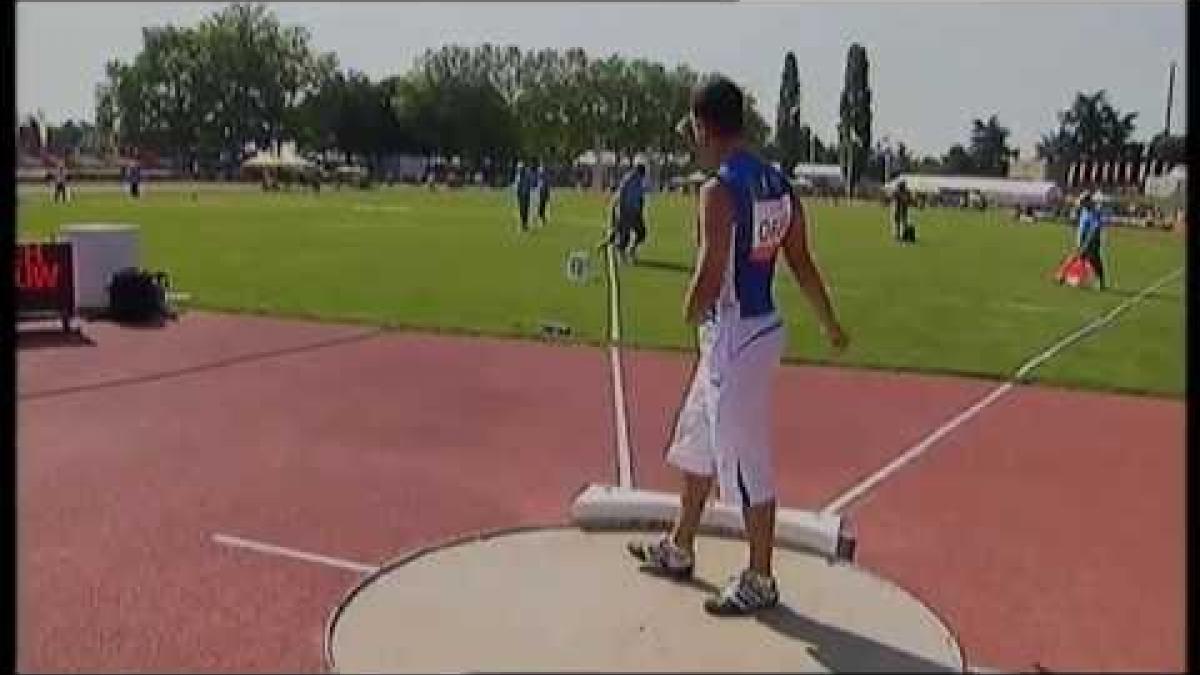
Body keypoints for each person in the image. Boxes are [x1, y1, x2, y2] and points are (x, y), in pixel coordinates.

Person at [626, 75, 848, 615]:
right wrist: (830, 323)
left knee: (747, 460)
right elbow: (800, 262)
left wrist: (688, 311)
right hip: (756, 328)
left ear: (703, 127)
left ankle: (761, 577)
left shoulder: (718, 190)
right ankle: (680, 546)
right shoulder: (778, 183)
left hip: (733, 334)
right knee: (699, 438)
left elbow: (708, 271)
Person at [609, 163, 648, 262]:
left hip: (635, 211)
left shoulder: (640, 181)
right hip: (626, 210)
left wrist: (640, 209)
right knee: (625, 234)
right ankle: (621, 254)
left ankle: (631, 250)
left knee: (642, 233)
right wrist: (620, 209)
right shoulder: (628, 178)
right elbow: (621, 193)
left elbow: (640, 197)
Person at [1075, 191, 1107, 289]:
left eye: (1083, 202)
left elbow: (1095, 229)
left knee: (1094, 259)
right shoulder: (1084, 210)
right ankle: (1082, 279)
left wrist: (1086, 243)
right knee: (1082, 258)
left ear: (1088, 201)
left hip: (1092, 239)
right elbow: (1082, 225)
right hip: (1083, 238)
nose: (1082, 204)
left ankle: (1100, 281)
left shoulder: (1094, 212)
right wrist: (1080, 240)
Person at [514, 161, 533, 231]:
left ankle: (525, 223)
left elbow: (530, 184)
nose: (519, 170)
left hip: (526, 195)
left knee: (526, 209)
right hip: (520, 195)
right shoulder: (518, 176)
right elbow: (517, 186)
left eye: (520, 168)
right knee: (522, 210)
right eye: (518, 168)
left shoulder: (527, 174)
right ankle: (523, 223)